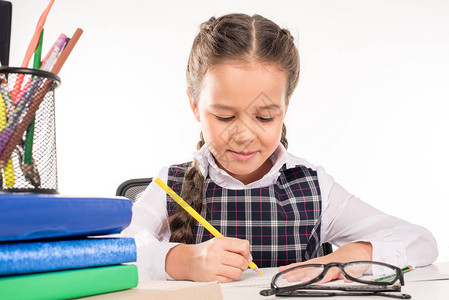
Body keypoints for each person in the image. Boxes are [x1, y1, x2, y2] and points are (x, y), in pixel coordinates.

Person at [121, 13, 438, 283]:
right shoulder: (171, 186)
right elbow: (112, 251)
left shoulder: (313, 186)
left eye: (264, 116)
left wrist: (350, 255)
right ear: (195, 108)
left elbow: (421, 242)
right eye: (224, 116)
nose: (244, 135)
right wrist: (181, 261)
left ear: (284, 108)